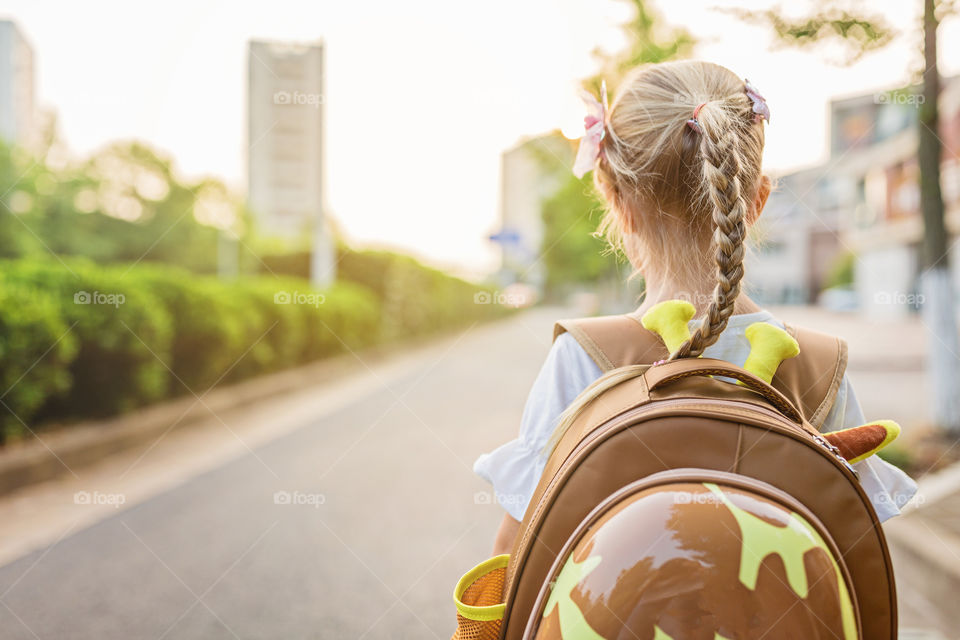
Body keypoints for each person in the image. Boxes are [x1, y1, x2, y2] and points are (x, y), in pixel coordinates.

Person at [474, 60, 917, 556]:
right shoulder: (819, 366)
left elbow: (516, 555)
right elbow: (852, 550)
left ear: (616, 202)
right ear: (757, 200)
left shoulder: (584, 357)